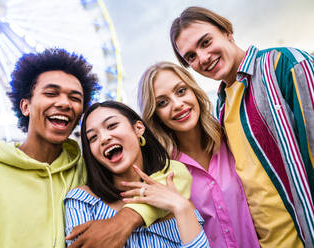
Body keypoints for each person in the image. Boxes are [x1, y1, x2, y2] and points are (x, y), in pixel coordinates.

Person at [0, 48, 186, 248]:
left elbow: (177, 174)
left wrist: (128, 219)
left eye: (75, 98)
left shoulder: (87, 168)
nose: (64, 103)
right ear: (25, 106)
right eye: (51, 93)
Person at [170, 6, 314, 248]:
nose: (203, 58)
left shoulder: (283, 64)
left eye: (205, 42)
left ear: (226, 31)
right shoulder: (222, 107)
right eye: (191, 57)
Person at [137, 61, 259, 248]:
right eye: (162, 102)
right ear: (155, 114)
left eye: (181, 91)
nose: (177, 104)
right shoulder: (162, 172)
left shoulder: (232, 138)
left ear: (194, 91)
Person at [64, 100, 209, 247]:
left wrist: (180, 206)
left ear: (138, 128)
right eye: (93, 137)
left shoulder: (173, 183)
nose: (104, 138)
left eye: (112, 125)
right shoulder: (82, 202)